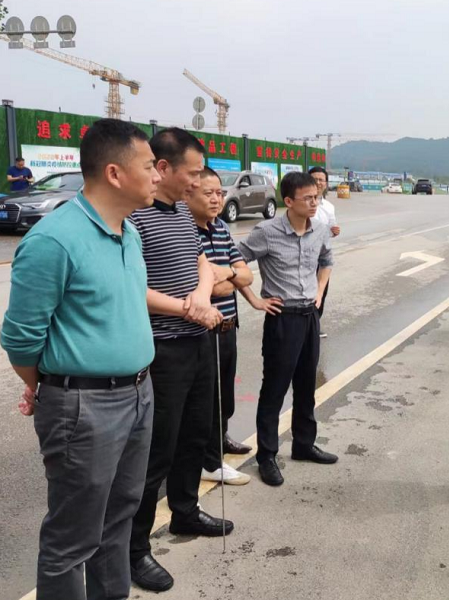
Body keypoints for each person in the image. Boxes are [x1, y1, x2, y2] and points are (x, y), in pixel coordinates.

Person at [1, 119, 159, 599]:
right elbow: (21, 339)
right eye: (150, 165)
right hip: (84, 406)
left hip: (139, 394)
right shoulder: (55, 240)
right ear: (114, 173)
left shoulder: (128, 232)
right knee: (72, 537)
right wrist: (48, 387)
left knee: (119, 517)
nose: (158, 175)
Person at [128, 128, 231, 593]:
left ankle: (185, 511)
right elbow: (132, 288)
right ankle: (134, 549)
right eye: (193, 173)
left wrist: (202, 295)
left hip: (198, 341)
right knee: (157, 452)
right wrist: (189, 308)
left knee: (196, 434)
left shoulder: (183, 214)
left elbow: (203, 262)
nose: (197, 182)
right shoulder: (136, 217)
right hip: (163, 349)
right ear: (164, 168)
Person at [238, 171, 337, 487]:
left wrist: (319, 291)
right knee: (275, 388)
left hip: (309, 317)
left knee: (307, 385)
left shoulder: (319, 229)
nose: (314, 203)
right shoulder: (266, 232)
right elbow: (235, 262)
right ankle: (267, 456)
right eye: (307, 198)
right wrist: (254, 299)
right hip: (282, 319)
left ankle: (304, 444)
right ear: (289, 201)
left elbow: (327, 260)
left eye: (316, 197)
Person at [184, 167, 254, 486]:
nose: (216, 199)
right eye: (208, 193)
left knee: (224, 395)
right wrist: (228, 278)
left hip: (228, 327)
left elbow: (245, 276)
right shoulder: (185, 232)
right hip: (203, 331)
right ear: (188, 194)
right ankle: (209, 461)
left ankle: (219, 442)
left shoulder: (221, 228)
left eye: (220, 193)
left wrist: (225, 273)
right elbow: (203, 286)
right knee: (205, 400)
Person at [310, 166, 340, 337]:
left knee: (322, 290)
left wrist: (334, 231)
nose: (318, 182)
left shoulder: (329, 207)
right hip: (304, 255)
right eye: (314, 179)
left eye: (321, 180)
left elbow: (331, 228)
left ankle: (314, 324)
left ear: (326, 183)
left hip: (322, 257)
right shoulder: (302, 204)